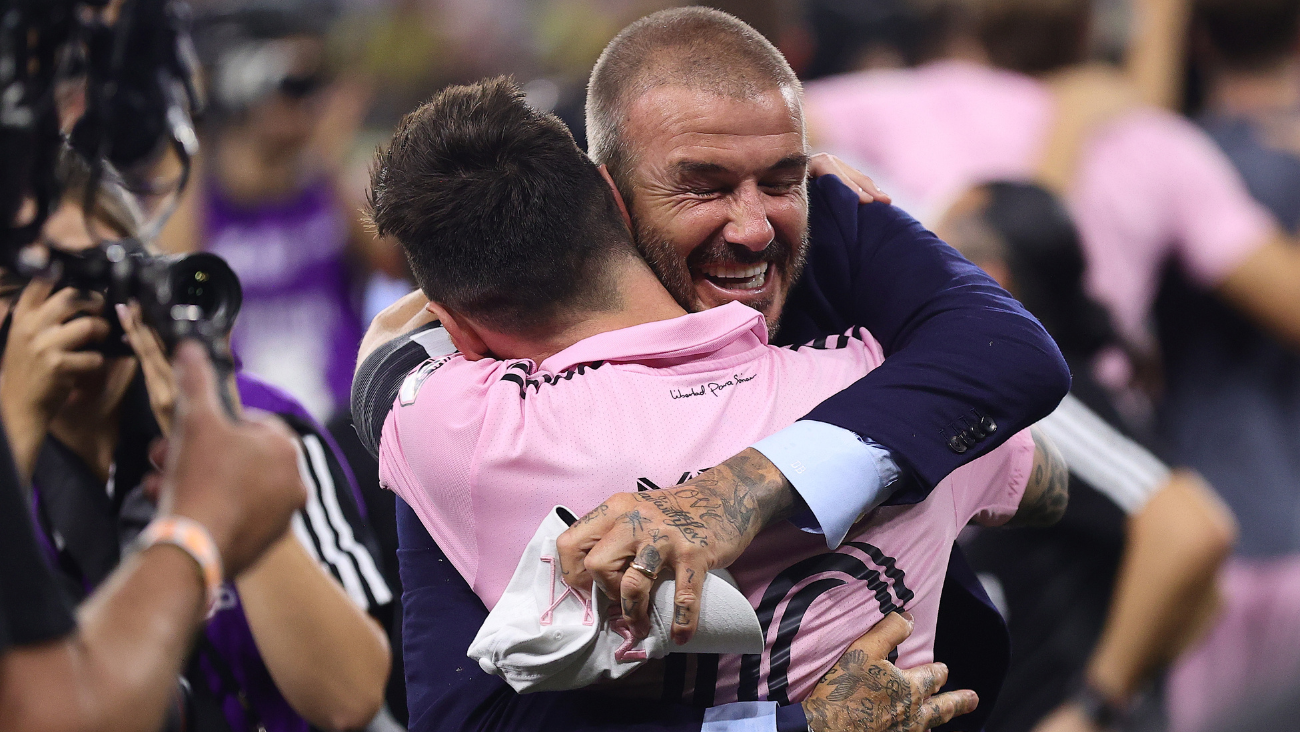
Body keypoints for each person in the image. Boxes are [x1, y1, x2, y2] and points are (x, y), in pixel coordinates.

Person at [352, 8, 1069, 731]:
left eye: (784, 180)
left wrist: (742, 490)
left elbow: (1014, 364)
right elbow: (1038, 477)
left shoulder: (462, 431)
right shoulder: (874, 371)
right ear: (613, 197)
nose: (754, 226)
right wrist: (797, 726)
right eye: (704, 185)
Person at [0, 155, 392, 732]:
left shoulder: (258, 423)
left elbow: (348, 700)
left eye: (92, 276)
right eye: (17, 287)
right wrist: (13, 434)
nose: (63, 311)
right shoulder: (13, 453)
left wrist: (218, 444)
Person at [937, 182, 1237, 732]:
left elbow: (1189, 529)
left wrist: (1093, 707)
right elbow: (1206, 600)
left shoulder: (1032, 397)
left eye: (935, 247)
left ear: (988, 275)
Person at [160, 6, 400, 423]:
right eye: (296, 86)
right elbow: (173, 278)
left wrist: (327, 157)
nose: (310, 102)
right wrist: (194, 124)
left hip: (342, 423)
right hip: (245, 423)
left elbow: (392, 264)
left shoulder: (327, 184)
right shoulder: (203, 191)